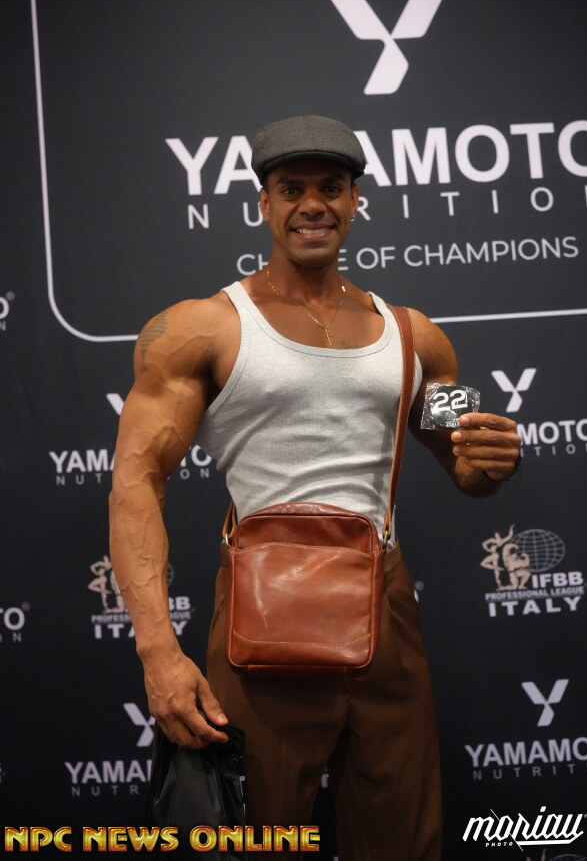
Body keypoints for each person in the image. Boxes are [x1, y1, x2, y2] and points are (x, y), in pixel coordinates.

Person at [109, 115, 521, 859]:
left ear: (355, 201)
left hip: (383, 609)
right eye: (291, 188)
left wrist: (492, 461)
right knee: (259, 840)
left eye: (331, 188)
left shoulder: (418, 336)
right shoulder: (202, 328)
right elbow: (135, 483)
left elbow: (465, 465)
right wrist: (158, 653)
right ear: (263, 203)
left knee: (405, 841)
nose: (312, 205)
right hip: (260, 618)